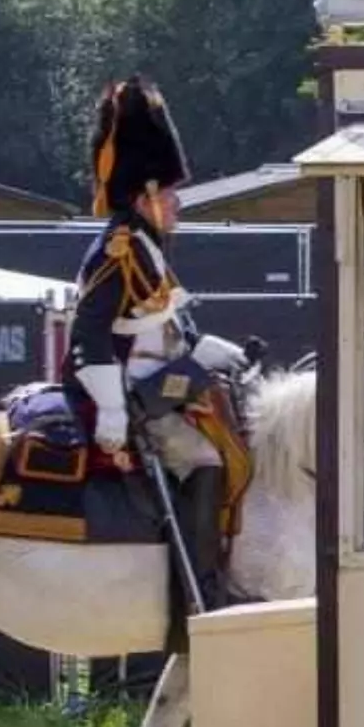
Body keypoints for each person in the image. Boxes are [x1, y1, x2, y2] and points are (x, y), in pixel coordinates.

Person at [62, 75, 251, 616]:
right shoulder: (118, 250)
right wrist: (113, 411)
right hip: (127, 391)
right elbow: (89, 334)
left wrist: (219, 352)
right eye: (169, 192)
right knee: (206, 457)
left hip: (160, 382)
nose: (178, 201)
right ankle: (198, 595)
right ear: (145, 193)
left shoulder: (147, 247)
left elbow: (165, 326)